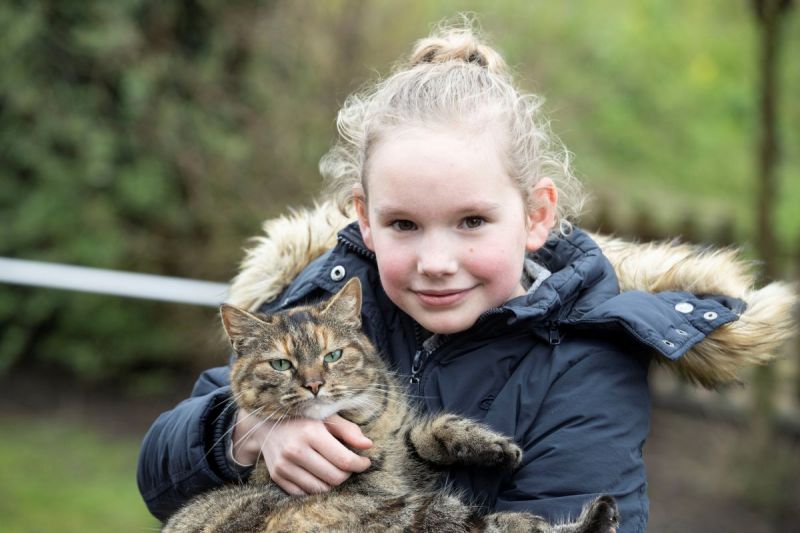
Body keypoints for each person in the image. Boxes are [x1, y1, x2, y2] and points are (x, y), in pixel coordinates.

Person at [137, 20, 795, 533]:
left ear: (536, 215)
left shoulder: (588, 361)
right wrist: (245, 431)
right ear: (364, 220)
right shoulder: (321, 297)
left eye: (472, 221)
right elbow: (158, 474)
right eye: (404, 225)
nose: (436, 260)